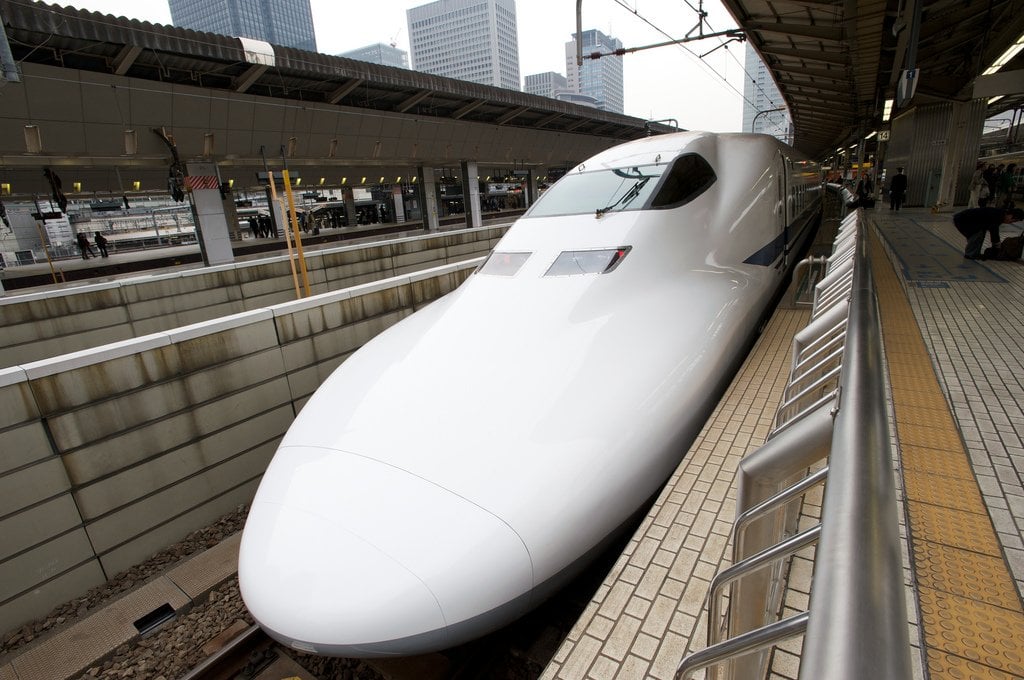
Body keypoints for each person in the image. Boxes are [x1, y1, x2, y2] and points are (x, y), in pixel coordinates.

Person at [952, 206, 1024, 259]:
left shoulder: (1000, 213)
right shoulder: (998, 215)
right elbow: (994, 231)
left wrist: (996, 244)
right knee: (977, 235)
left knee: (979, 234)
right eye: (1013, 220)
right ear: (1010, 215)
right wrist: (997, 245)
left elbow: (993, 231)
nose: (1011, 222)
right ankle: (970, 254)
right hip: (962, 221)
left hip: (964, 220)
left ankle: (974, 253)